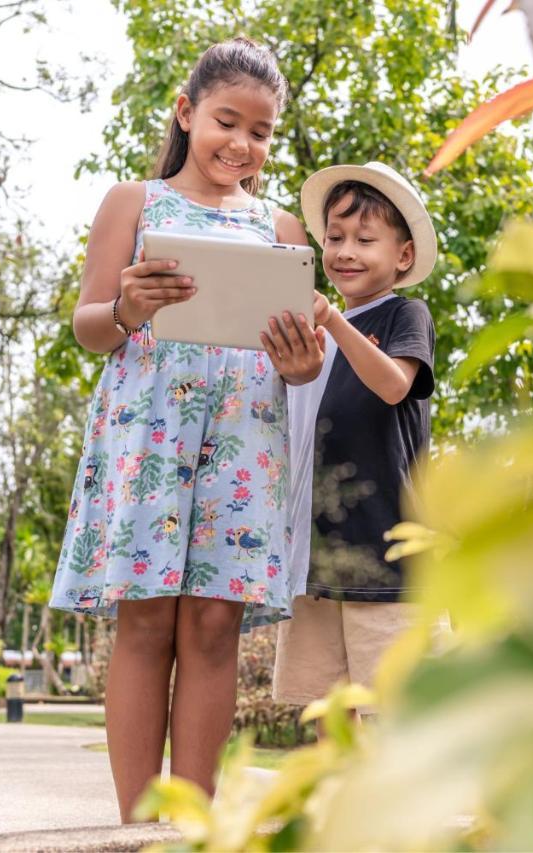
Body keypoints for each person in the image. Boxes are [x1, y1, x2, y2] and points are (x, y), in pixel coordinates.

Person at [49, 36, 324, 821]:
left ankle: (192, 826)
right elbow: (90, 328)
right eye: (226, 121)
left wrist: (301, 363)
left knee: (212, 623)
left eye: (260, 132)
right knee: (145, 615)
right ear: (186, 112)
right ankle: (137, 828)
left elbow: (299, 369)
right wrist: (129, 308)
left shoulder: (281, 227)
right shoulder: (132, 203)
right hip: (148, 433)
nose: (241, 144)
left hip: (245, 438)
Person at [273, 161, 438, 717]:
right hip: (317, 557)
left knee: (395, 707)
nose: (345, 251)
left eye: (365, 239)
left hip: (386, 555)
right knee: (328, 705)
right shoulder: (312, 335)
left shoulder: (404, 315)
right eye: (335, 238)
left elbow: (394, 385)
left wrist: (336, 324)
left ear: (404, 256)